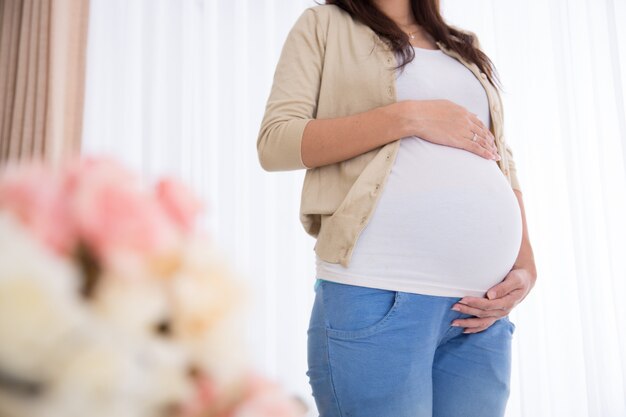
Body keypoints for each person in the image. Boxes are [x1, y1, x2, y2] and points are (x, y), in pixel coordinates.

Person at [257, 0, 537, 416]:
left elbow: (501, 159)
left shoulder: (462, 45)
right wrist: (409, 117)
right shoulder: (325, 24)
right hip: (379, 291)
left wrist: (525, 265)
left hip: (481, 311)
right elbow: (276, 143)